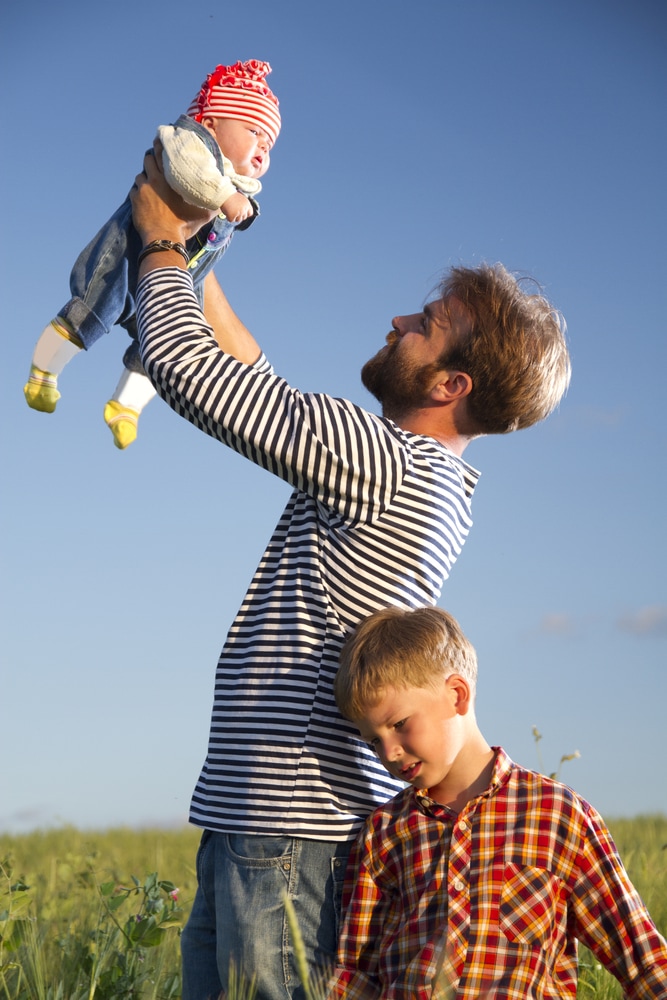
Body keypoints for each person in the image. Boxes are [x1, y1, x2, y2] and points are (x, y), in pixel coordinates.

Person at [128, 147, 571, 1000]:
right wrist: (194, 250)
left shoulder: (385, 460)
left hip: (287, 825)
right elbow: (251, 375)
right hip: (269, 817)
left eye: (425, 322)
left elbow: (191, 374)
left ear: (449, 382)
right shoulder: (422, 474)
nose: (397, 321)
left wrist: (152, 238)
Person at [329, 605, 667, 999]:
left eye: (400, 724)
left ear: (457, 695)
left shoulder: (558, 816)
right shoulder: (385, 832)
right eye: (373, 740)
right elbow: (356, 975)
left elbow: (643, 960)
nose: (388, 752)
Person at [23, 59, 280, 450]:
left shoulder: (239, 185)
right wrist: (225, 197)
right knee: (91, 311)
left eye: (269, 143)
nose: (262, 145)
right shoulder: (191, 142)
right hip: (128, 258)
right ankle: (44, 372)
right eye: (254, 130)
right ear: (212, 122)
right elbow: (187, 173)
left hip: (179, 272)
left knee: (160, 345)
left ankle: (125, 407)